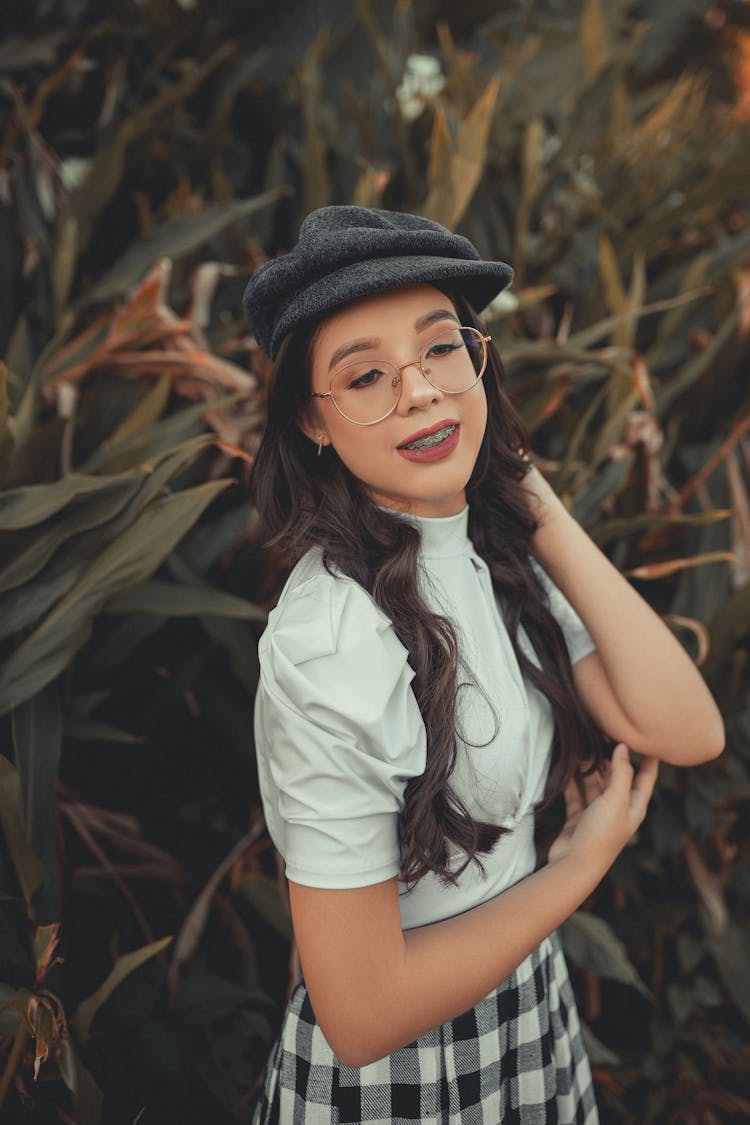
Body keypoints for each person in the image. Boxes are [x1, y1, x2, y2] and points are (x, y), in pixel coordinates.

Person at [242, 206, 724, 1125]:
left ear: (480, 357)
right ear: (311, 419)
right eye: (367, 376)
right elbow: (361, 1013)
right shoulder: (331, 639)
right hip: (402, 1082)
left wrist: (517, 480)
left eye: (442, 351)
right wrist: (578, 871)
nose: (420, 392)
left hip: (527, 1018)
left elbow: (686, 727)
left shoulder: (494, 545)